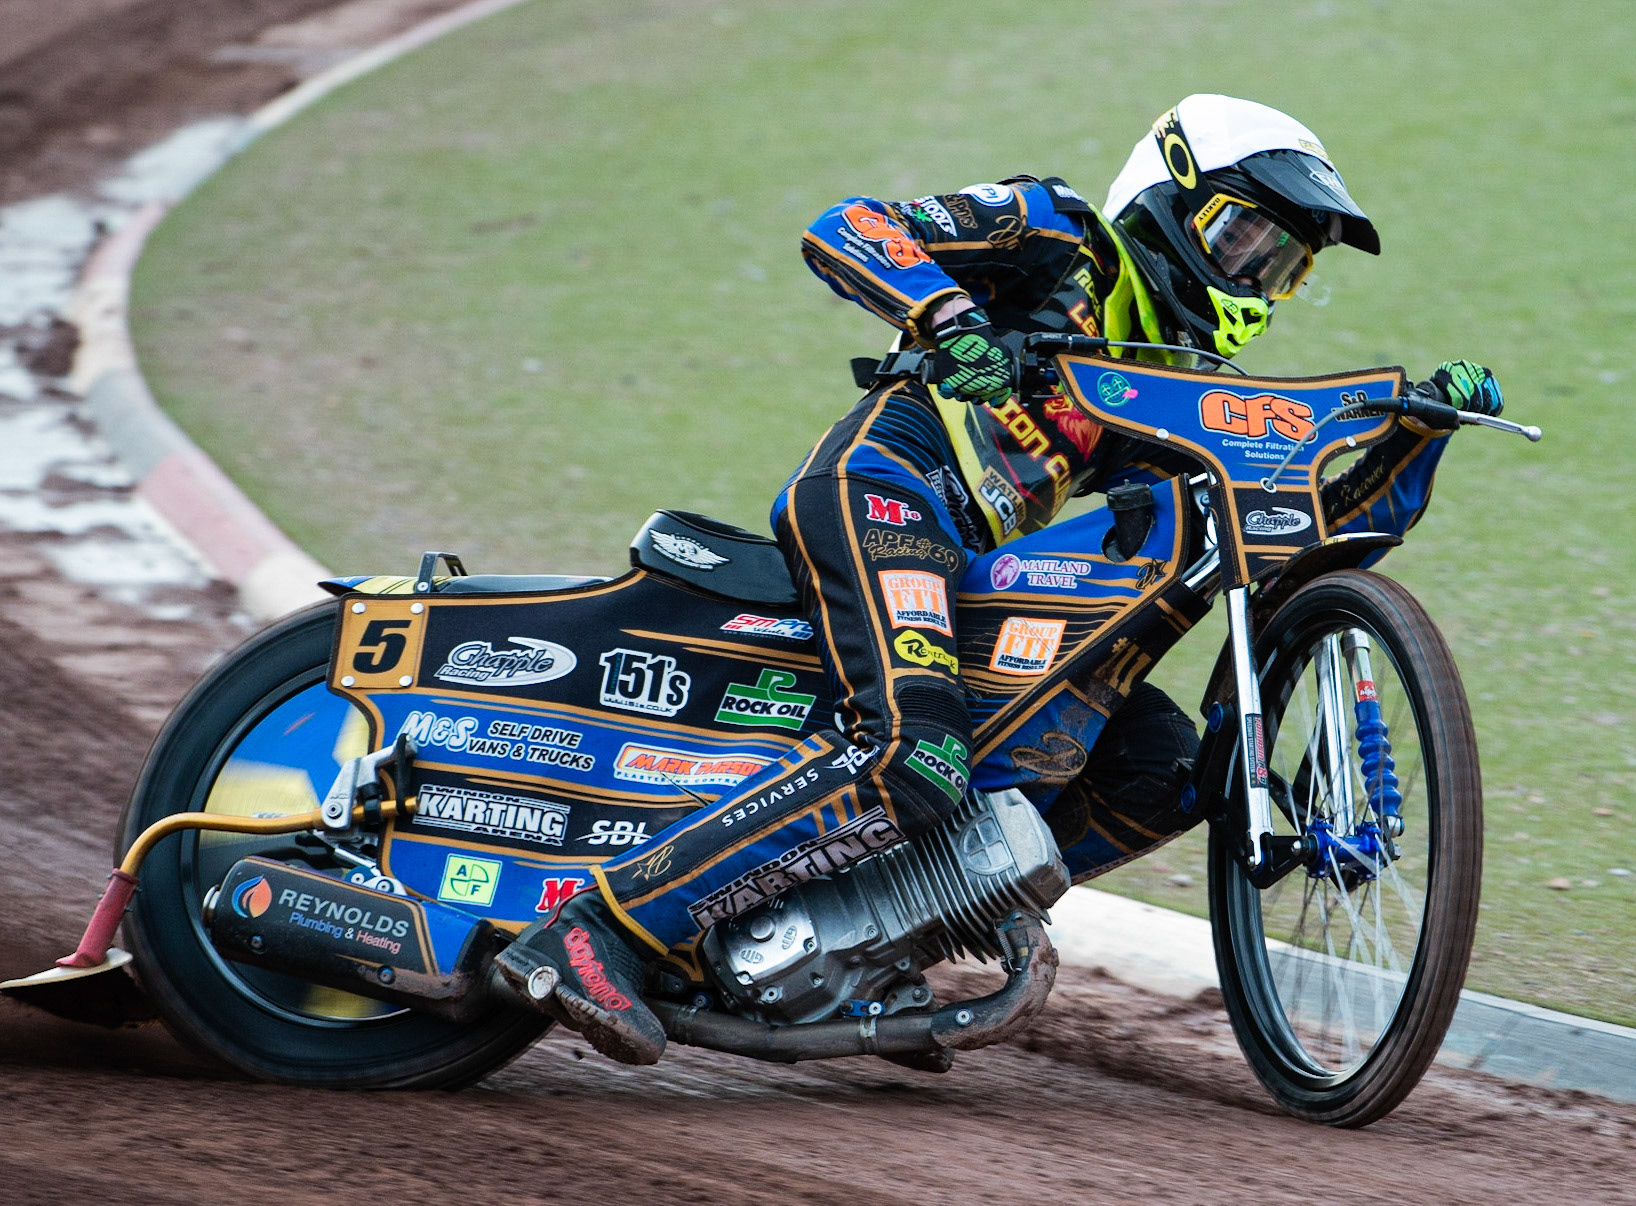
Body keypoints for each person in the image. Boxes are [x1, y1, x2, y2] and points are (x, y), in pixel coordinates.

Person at [495, 94, 1504, 1065]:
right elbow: (846, 226)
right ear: (1168, 188)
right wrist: (945, 316)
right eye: (1245, 237)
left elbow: (1294, 545)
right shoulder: (1059, 230)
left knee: (1157, 764)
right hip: (886, 488)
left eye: (1283, 265)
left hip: (975, 569)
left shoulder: (1190, 381)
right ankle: (597, 933)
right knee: (912, 754)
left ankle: (865, 950)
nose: (1255, 274)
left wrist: (1409, 440)